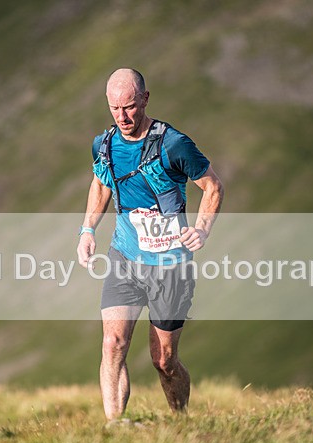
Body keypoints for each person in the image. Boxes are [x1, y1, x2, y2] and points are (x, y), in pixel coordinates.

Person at [77, 68, 224, 420]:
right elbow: (101, 183)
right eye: (115, 108)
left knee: (164, 361)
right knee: (112, 345)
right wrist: (87, 230)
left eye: (129, 107)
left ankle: (181, 421)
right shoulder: (105, 144)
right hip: (124, 258)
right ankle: (115, 429)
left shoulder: (173, 143)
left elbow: (213, 187)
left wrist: (201, 230)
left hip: (170, 265)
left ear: (145, 99)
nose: (123, 117)